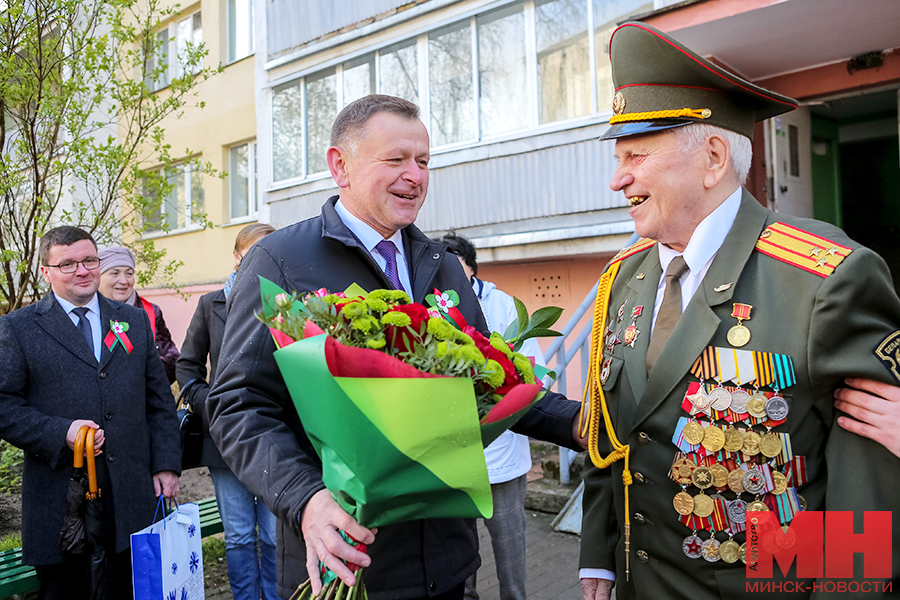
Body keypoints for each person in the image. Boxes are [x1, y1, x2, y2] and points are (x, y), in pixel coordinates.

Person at [207, 95, 584, 600]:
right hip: (345, 557)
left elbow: (492, 383)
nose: (416, 175)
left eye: (424, 161)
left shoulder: (443, 265)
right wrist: (307, 499)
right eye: (396, 160)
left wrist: (578, 423)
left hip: (449, 562)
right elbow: (238, 406)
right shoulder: (281, 261)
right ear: (340, 165)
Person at [578, 22, 900, 600]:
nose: (617, 177)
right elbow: (614, 441)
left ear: (713, 157)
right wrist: (598, 560)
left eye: (636, 155)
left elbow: (864, 505)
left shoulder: (825, 278)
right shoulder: (622, 280)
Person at [0, 226, 181, 599]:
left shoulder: (131, 320)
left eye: (89, 260)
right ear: (45, 271)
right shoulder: (18, 328)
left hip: (133, 497)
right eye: (67, 264)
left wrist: (166, 463)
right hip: (62, 503)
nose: (82, 270)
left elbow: (159, 400)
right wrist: (59, 432)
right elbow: (3, 405)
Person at [176, 222, 279, 600]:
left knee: (272, 533)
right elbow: (186, 366)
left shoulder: (284, 303)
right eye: (252, 251)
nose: (261, 259)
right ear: (237, 257)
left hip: (274, 436)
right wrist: (209, 405)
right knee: (237, 534)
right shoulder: (210, 304)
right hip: (224, 437)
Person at [441, 231, 541, 600]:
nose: (454, 283)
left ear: (473, 270)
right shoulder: (430, 307)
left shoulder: (505, 307)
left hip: (502, 460)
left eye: (460, 273)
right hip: (454, 463)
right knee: (458, 566)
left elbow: (536, 376)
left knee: (510, 564)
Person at [98, 246, 180, 384]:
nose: (124, 281)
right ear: (98, 277)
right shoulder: (84, 313)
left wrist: (145, 369)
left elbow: (173, 360)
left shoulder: (150, 312)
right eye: (115, 273)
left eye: (129, 273)